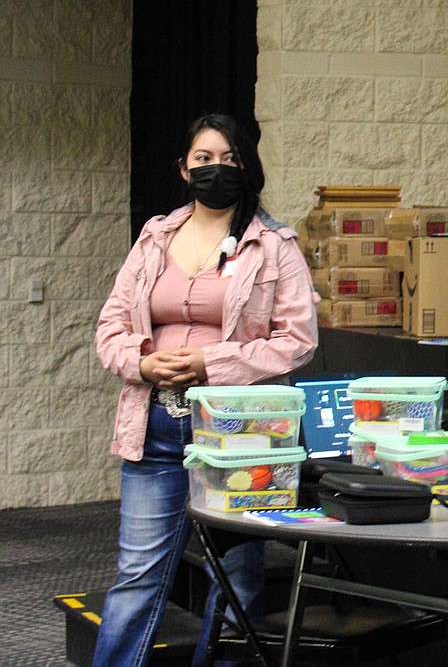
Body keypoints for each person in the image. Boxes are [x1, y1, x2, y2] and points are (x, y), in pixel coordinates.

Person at [93, 113, 318, 666]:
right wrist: (143, 365)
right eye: (202, 159)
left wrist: (208, 363)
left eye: (229, 160)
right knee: (137, 576)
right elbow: (111, 327)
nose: (214, 170)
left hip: (237, 431)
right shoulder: (154, 237)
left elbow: (296, 341)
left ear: (248, 166)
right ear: (182, 168)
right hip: (155, 427)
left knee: (237, 577)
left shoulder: (274, 246)